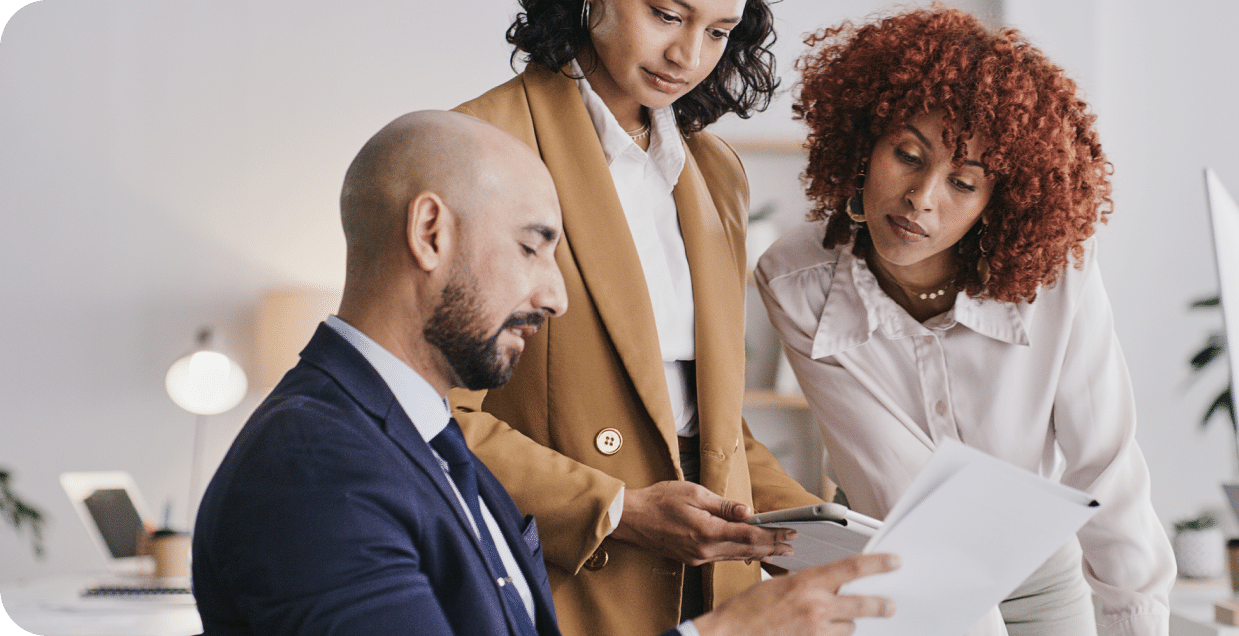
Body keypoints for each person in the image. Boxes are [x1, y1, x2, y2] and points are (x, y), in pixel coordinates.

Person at [191, 110, 899, 636]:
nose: (556, 297)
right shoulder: (317, 467)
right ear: (430, 233)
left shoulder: (426, 443)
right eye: (534, 249)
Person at [756, 9, 1176, 636]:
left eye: (962, 181)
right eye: (907, 155)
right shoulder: (795, 280)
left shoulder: (1056, 278)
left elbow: (1106, 470)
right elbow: (893, 483)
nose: (922, 198)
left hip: (1043, 582)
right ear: (863, 143)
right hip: (891, 567)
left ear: (997, 203)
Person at [446, 1, 821, 634]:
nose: (689, 56)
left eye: (719, 33)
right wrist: (618, 508)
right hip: (563, 584)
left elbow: (711, 426)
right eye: (667, 14)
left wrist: (831, 537)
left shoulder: (716, 171)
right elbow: (432, 415)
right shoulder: (482, 144)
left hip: (714, 592)